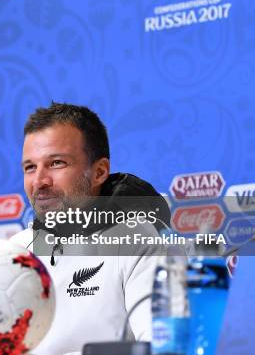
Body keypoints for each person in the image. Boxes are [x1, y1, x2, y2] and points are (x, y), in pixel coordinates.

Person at [10, 102, 170, 354]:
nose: (39, 181)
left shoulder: (140, 241)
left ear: (99, 172)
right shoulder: (12, 253)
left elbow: (163, 348)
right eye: (30, 167)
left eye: (56, 163)